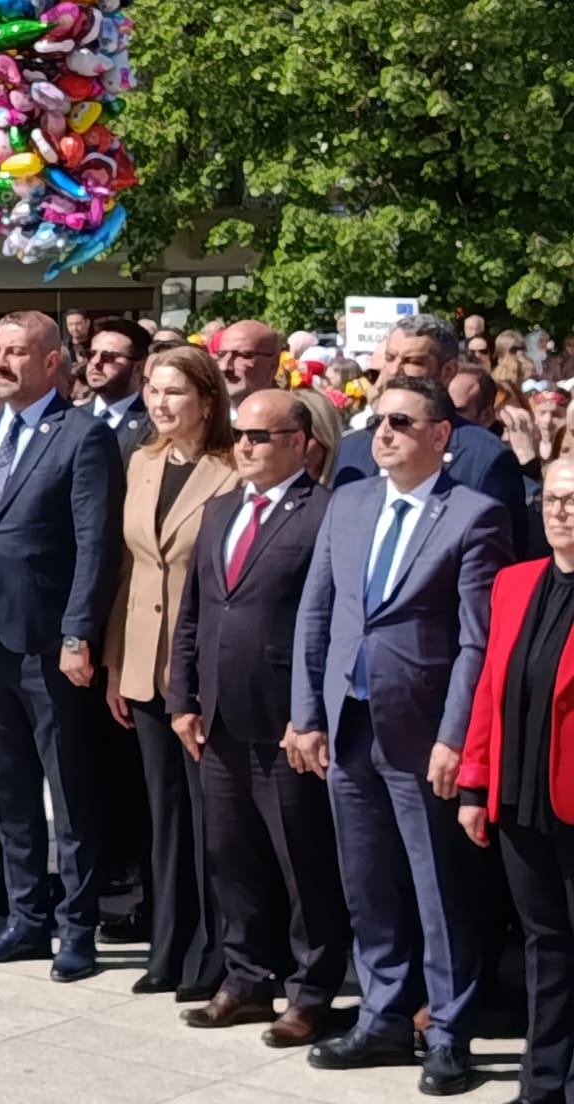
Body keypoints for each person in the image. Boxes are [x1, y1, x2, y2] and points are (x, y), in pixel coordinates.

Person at [293, 375, 511, 1095]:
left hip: (423, 731)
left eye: (401, 422)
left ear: (441, 435)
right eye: (377, 421)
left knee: (440, 888)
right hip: (349, 723)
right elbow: (317, 613)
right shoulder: (350, 502)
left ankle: (448, 1031)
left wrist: (455, 736)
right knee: (367, 882)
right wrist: (307, 713)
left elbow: (477, 642)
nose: (382, 433)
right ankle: (383, 1017)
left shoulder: (474, 516)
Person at [0, 312, 124, 976]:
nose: (2, 363)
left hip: (46, 642)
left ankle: (77, 927)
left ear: (51, 363)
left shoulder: (83, 436)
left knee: (70, 791)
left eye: (16, 352)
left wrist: (78, 632)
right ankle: (26, 918)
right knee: (9, 788)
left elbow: (95, 545)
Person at [166, 389, 348, 1045]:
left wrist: (310, 712)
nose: (243, 445)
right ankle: (246, 979)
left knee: (303, 862)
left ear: (300, 444)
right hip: (219, 718)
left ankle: (312, 992)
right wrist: (183, 698)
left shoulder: (326, 512)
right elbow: (195, 611)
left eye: (259, 436)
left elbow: (327, 621)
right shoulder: (221, 509)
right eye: (239, 434)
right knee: (232, 855)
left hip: (284, 721)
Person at [102, 344, 238, 1000]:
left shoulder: (232, 471)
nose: (159, 403)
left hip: (205, 669)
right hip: (143, 662)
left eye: (174, 391)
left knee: (213, 819)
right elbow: (130, 569)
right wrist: (114, 662)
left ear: (207, 401)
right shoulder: (142, 461)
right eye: (153, 390)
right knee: (162, 814)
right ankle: (168, 947)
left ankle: (217, 955)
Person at [459, 456, 574, 1104]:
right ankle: (542, 1083)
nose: (560, 512)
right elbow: (489, 690)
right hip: (520, 797)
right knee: (543, 943)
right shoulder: (514, 582)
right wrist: (474, 786)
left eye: (573, 501)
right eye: (552, 500)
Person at [334, 314, 529, 557]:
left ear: (448, 371)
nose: (394, 371)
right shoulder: (351, 450)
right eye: (390, 358)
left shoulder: (484, 458)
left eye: (413, 361)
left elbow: (500, 558)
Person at [86, 318, 152, 461]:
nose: (96, 362)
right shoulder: (70, 419)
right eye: (91, 354)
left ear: (138, 367)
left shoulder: (152, 426)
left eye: (109, 356)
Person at [214, 320, 280, 416]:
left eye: (243, 355)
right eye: (221, 354)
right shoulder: (204, 418)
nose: (224, 367)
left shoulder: (292, 417)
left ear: (273, 365)